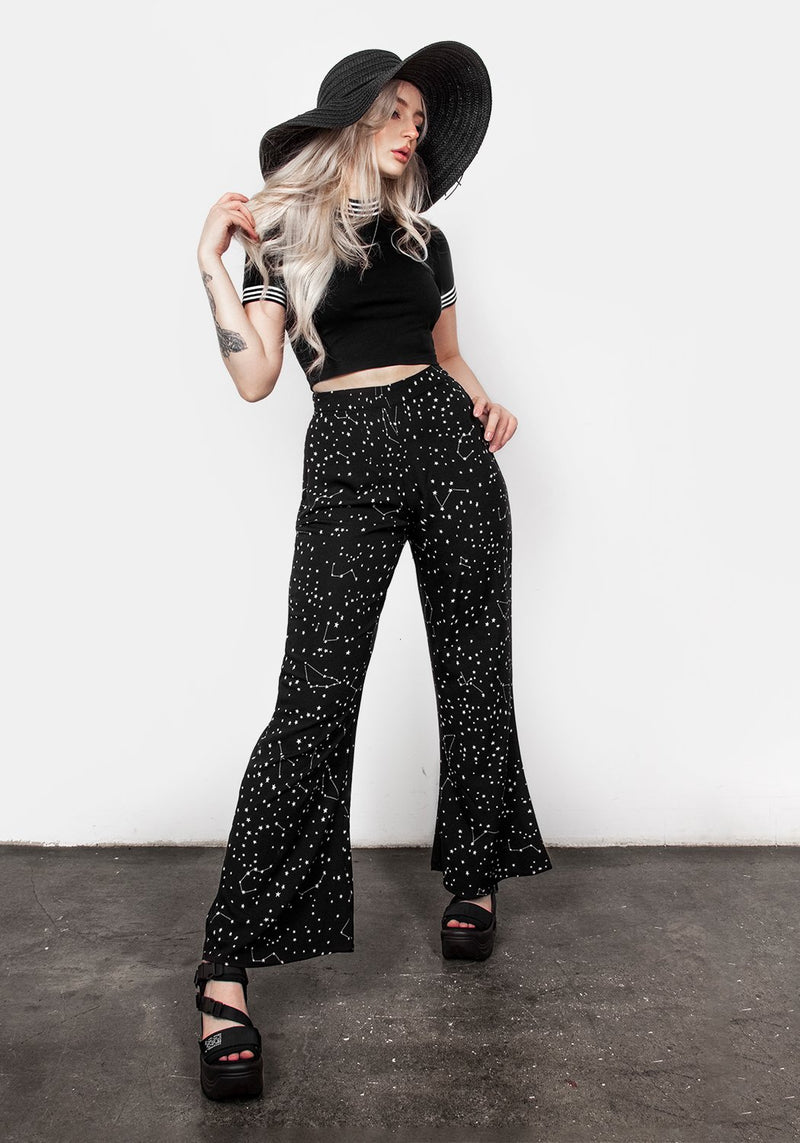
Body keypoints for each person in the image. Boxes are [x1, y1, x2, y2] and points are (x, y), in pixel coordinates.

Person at [193, 41, 553, 1100]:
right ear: (349, 121)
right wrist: (209, 266)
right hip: (346, 458)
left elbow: (447, 356)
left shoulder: (427, 239)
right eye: (394, 111)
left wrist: (484, 400)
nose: (411, 131)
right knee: (312, 705)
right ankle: (225, 966)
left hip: (449, 450)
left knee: (475, 674)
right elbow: (257, 377)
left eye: (419, 119)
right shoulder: (282, 233)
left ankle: (476, 876)